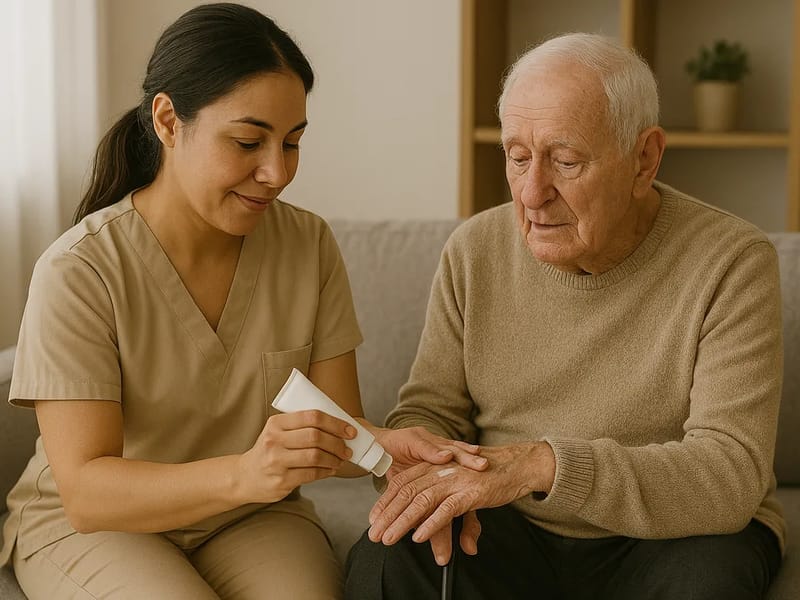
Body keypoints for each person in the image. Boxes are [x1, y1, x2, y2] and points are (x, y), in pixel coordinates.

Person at [0, 4, 485, 599]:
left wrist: (383, 444)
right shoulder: (80, 271)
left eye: (292, 142)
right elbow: (86, 490)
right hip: (101, 525)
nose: (277, 172)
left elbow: (333, 430)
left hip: (251, 516)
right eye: (249, 141)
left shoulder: (307, 245)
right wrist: (244, 473)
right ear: (169, 122)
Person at [345, 32, 785, 599]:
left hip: (673, 537)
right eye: (518, 157)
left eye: (567, 160)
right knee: (384, 561)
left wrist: (544, 465)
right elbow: (432, 410)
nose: (531, 193)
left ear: (644, 158)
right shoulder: (473, 251)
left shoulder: (731, 262)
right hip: (509, 525)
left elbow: (729, 476)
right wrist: (419, 459)